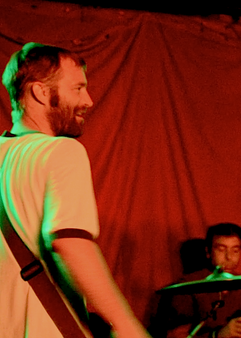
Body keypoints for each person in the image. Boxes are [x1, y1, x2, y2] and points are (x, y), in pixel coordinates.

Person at [0, 42, 151, 338]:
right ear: (40, 92)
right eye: (78, 89)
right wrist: (126, 325)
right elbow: (69, 242)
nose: (89, 100)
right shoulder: (62, 152)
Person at [151, 223, 241, 338]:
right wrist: (217, 335)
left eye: (235, 250)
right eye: (221, 249)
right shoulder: (188, 286)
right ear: (208, 252)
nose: (229, 257)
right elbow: (173, 336)